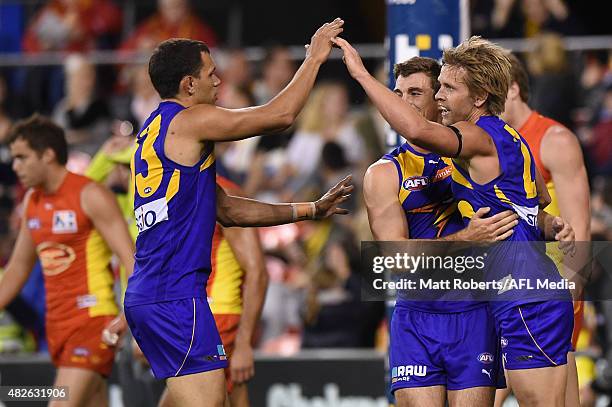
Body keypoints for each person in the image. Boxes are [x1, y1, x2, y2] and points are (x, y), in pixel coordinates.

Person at [334, 35, 576, 406]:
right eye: (441, 86)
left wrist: (361, 75)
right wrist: (549, 224)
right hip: (508, 296)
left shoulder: (474, 139)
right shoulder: (507, 136)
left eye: (446, 87)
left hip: (516, 298)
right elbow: (535, 200)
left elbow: (416, 130)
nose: (441, 96)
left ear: (478, 97)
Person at [124, 19, 349, 407]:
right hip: (175, 296)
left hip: (151, 293)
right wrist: (313, 58)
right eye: (211, 73)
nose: (219, 81)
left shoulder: (154, 129)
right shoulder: (190, 120)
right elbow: (279, 116)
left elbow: (226, 209)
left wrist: (309, 209)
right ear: (188, 85)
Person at [364, 56, 517, 407]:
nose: (402, 103)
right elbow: (395, 258)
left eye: (415, 92)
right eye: (397, 92)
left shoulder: (476, 152)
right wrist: (466, 239)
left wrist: (551, 223)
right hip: (416, 317)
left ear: (441, 98)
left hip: (475, 312)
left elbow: (527, 196)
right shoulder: (384, 173)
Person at [0, 114, 135, 406]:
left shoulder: (90, 195)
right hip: (57, 327)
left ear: (48, 155)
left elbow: (131, 258)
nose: (15, 166)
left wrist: (129, 315)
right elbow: (17, 269)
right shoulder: (32, 202)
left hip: (91, 322)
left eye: (22, 157)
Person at [497, 51, 591, 407]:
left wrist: (572, 291)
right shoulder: (487, 144)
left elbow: (578, 228)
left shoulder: (553, 139)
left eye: (489, 92)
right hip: (503, 285)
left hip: (547, 289)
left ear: (513, 91)